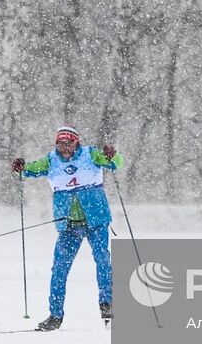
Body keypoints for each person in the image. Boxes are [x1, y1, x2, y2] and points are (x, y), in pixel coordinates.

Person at [12, 125, 123, 331]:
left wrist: (111, 155)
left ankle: (107, 304)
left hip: (96, 221)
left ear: (76, 142)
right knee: (59, 269)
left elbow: (116, 163)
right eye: (61, 143)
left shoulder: (91, 155)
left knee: (102, 259)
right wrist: (21, 166)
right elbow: (31, 169)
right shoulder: (51, 160)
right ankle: (55, 316)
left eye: (69, 142)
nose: (65, 147)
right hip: (69, 226)